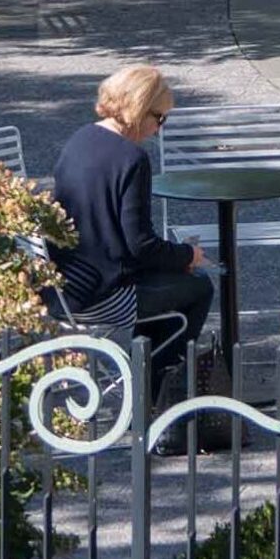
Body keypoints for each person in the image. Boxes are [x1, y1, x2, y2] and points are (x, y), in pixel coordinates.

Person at [49, 64, 215, 399]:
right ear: (140, 109)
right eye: (160, 118)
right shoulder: (132, 159)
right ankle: (155, 390)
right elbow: (140, 245)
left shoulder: (80, 139)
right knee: (199, 287)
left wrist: (171, 259)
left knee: (166, 283)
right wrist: (187, 255)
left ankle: (145, 383)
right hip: (102, 296)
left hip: (62, 288)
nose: (159, 129)